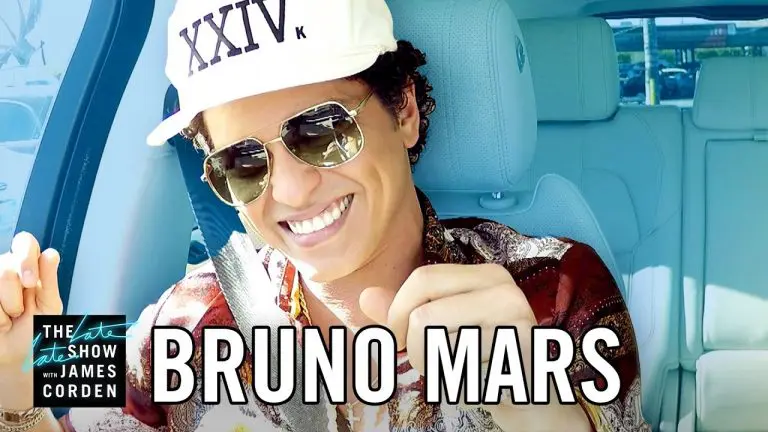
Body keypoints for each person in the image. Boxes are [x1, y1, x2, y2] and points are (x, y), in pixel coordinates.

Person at [0, 0, 651, 431]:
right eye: (242, 162)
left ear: (403, 109)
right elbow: (44, 381)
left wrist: (536, 407)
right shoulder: (188, 315)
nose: (290, 189)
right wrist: (16, 390)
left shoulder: (555, 287)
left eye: (321, 131)